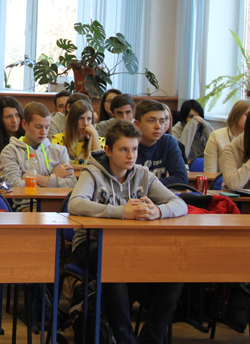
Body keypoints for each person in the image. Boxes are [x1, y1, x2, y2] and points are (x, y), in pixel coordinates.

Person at [69, 121, 187, 344]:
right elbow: (75, 204)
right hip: (92, 244)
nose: (131, 156)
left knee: (177, 268)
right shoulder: (92, 172)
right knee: (114, 263)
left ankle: (151, 339)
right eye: (124, 149)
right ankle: (125, 339)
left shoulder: (143, 174)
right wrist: (121, 212)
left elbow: (179, 203)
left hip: (134, 247)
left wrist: (158, 211)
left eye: (134, 149)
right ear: (108, 150)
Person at [0, 102, 76, 208]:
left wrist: (34, 178)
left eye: (47, 127)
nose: (43, 132)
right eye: (38, 127)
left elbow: (71, 184)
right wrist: (54, 177)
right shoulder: (10, 151)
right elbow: (14, 185)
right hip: (29, 207)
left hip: (60, 207)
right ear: (24, 124)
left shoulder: (60, 151)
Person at [133, 99, 187, 186]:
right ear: (137, 124)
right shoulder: (128, 144)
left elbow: (181, 179)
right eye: (151, 121)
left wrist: (149, 185)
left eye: (161, 121)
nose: (158, 126)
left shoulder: (168, 142)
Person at [203, 100, 250, 174]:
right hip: (221, 181)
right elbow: (210, 174)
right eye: (247, 115)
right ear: (236, 115)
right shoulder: (216, 136)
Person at [51, 100, 102, 165]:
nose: (85, 123)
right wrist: (87, 167)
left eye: (89, 119)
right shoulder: (58, 139)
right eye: (81, 118)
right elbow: (55, 166)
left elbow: (100, 166)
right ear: (72, 120)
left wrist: (94, 134)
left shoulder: (99, 141)